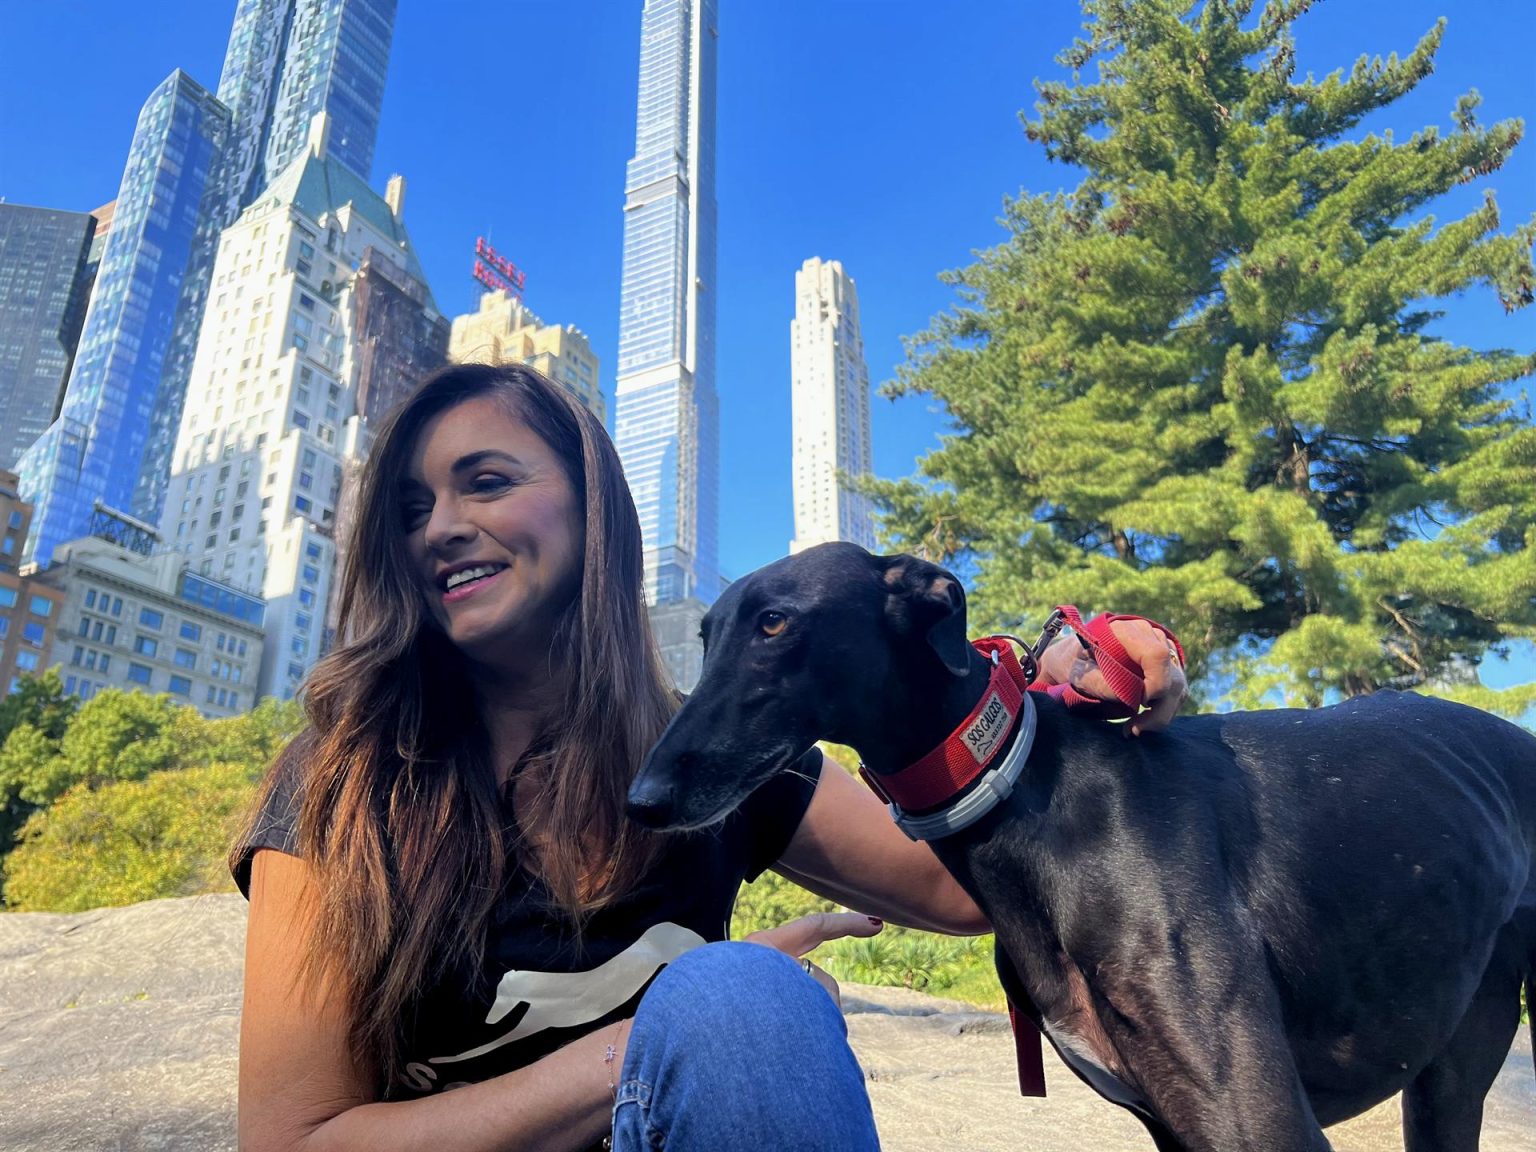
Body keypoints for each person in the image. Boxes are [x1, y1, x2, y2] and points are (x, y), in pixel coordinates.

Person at [233, 362, 1187, 1152]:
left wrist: (1036, 700)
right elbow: (293, 1140)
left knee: (740, 1003)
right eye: (410, 509)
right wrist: (662, 1036)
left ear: (592, 506)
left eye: (486, 482)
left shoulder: (717, 758)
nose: (438, 526)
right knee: (734, 998)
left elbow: (971, 892)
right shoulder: (344, 779)